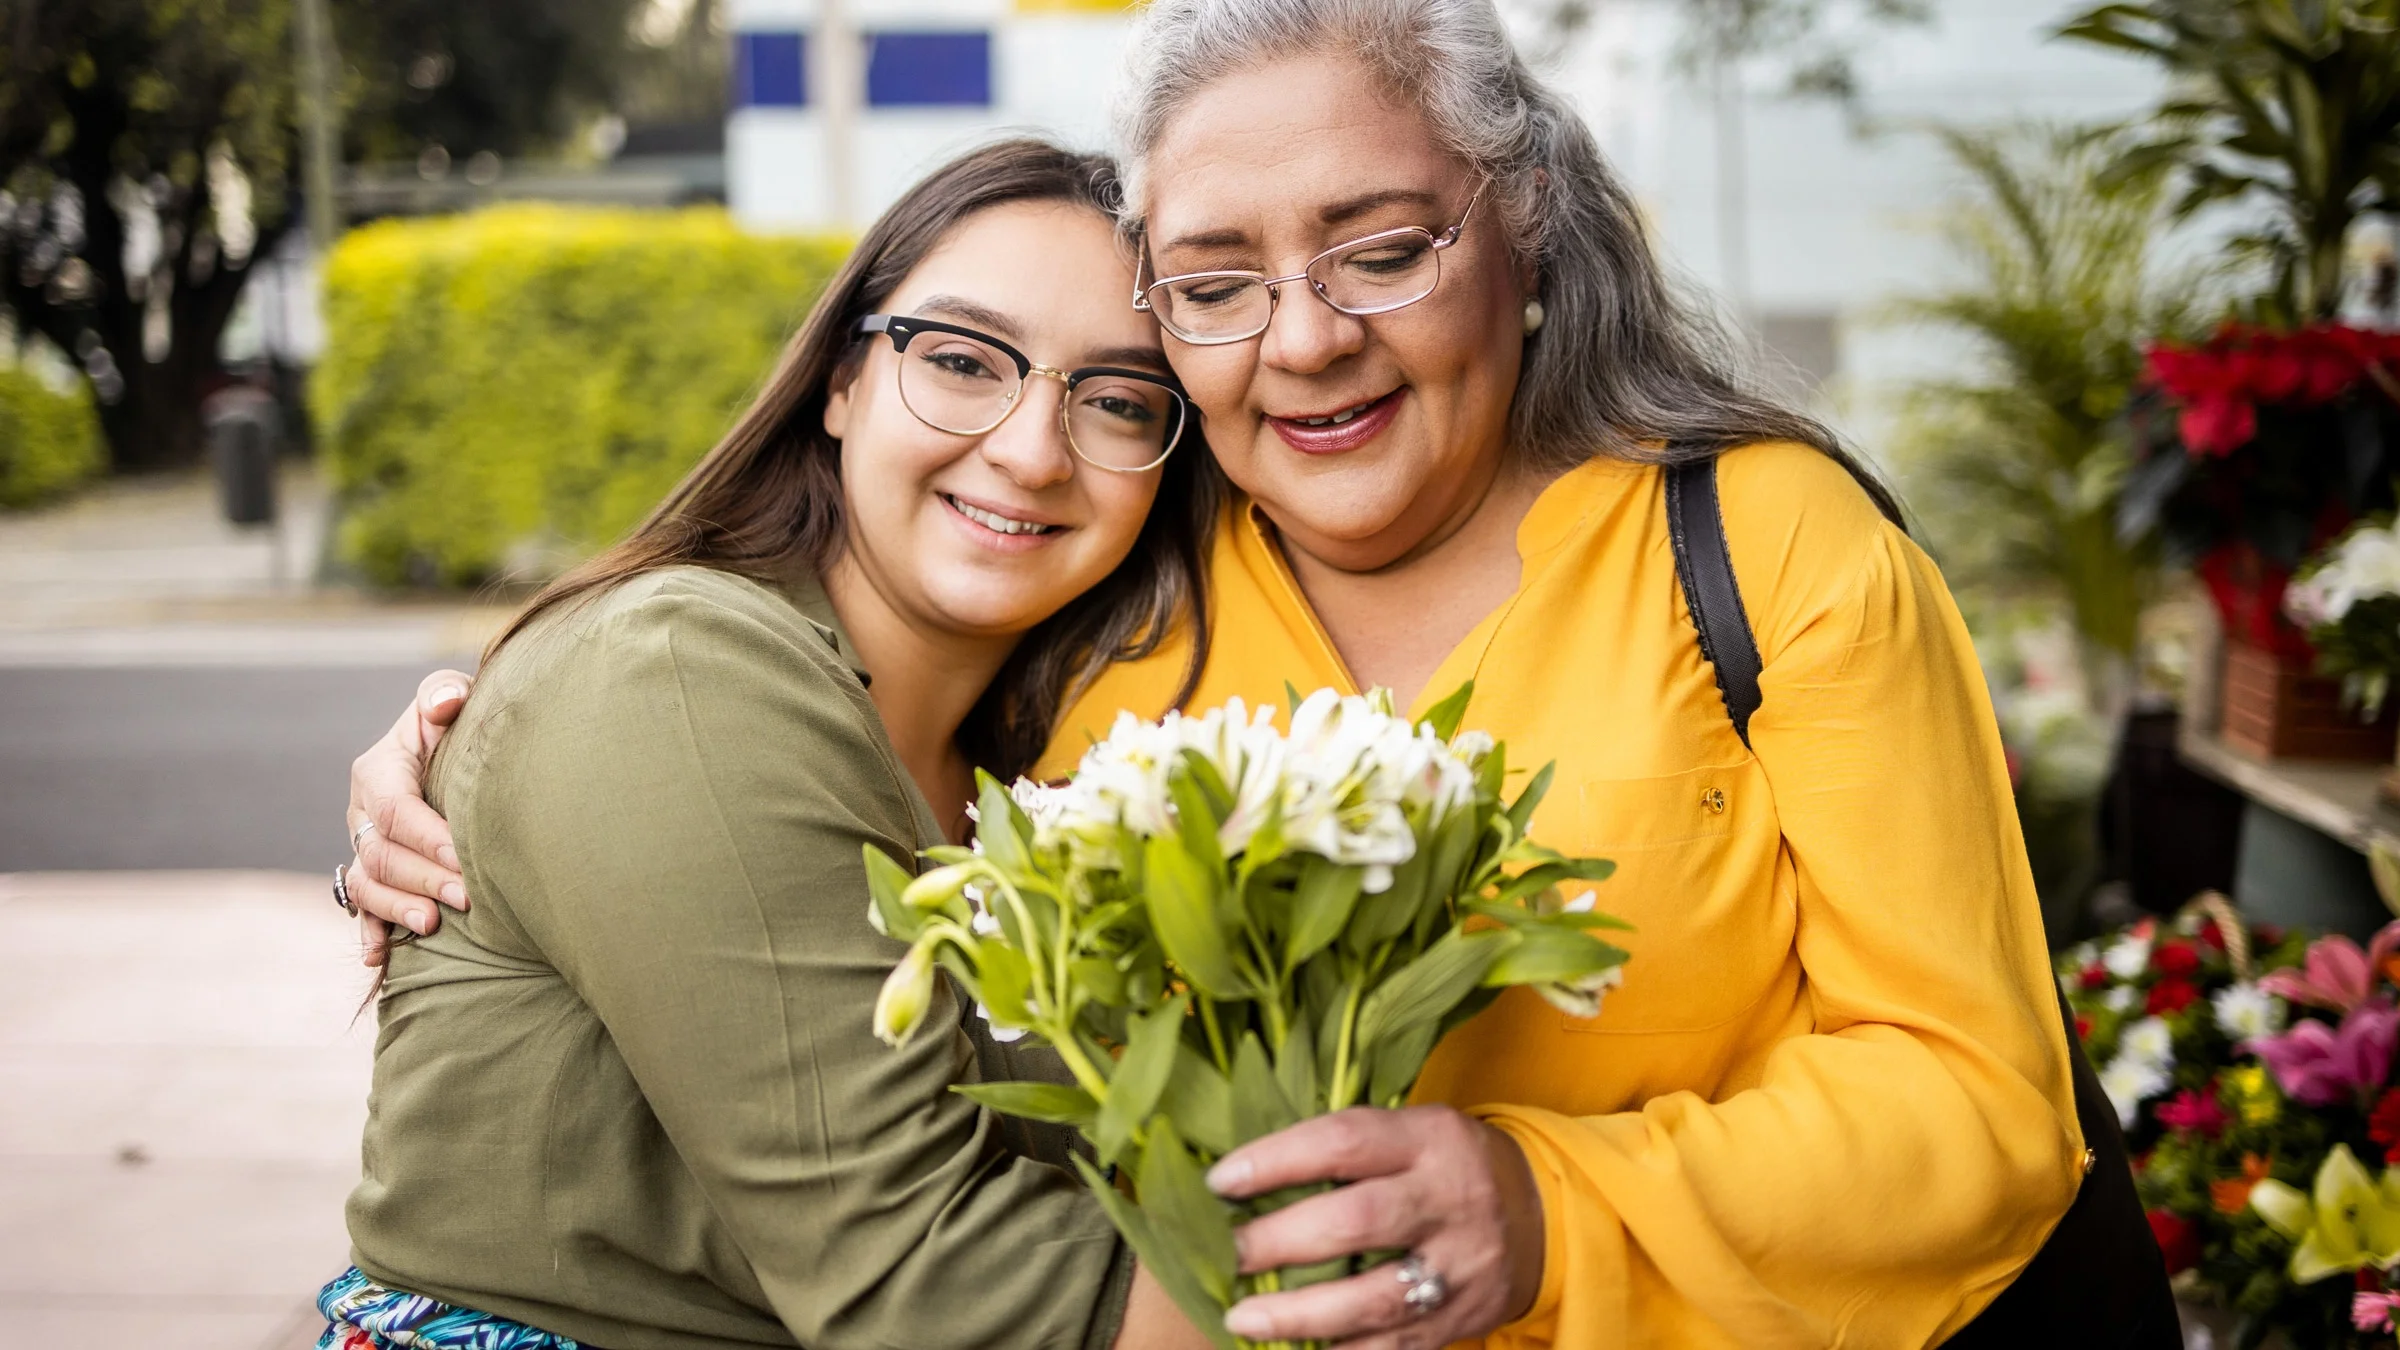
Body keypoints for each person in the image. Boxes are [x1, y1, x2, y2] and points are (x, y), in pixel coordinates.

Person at [345, 1, 2140, 1344]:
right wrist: (468, 755)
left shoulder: (1763, 547)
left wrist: (1550, 1206)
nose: (1303, 337)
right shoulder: (1119, 599)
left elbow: (1980, 1106)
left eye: (1380, 249)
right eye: (1212, 283)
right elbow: (762, 769)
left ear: (1521, 233)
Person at [316, 139, 1223, 1350]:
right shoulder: (680, 669)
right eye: (960, 361)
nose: (1031, 449)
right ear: (842, 381)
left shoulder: (1055, 762)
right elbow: (927, 1278)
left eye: (1115, 399)